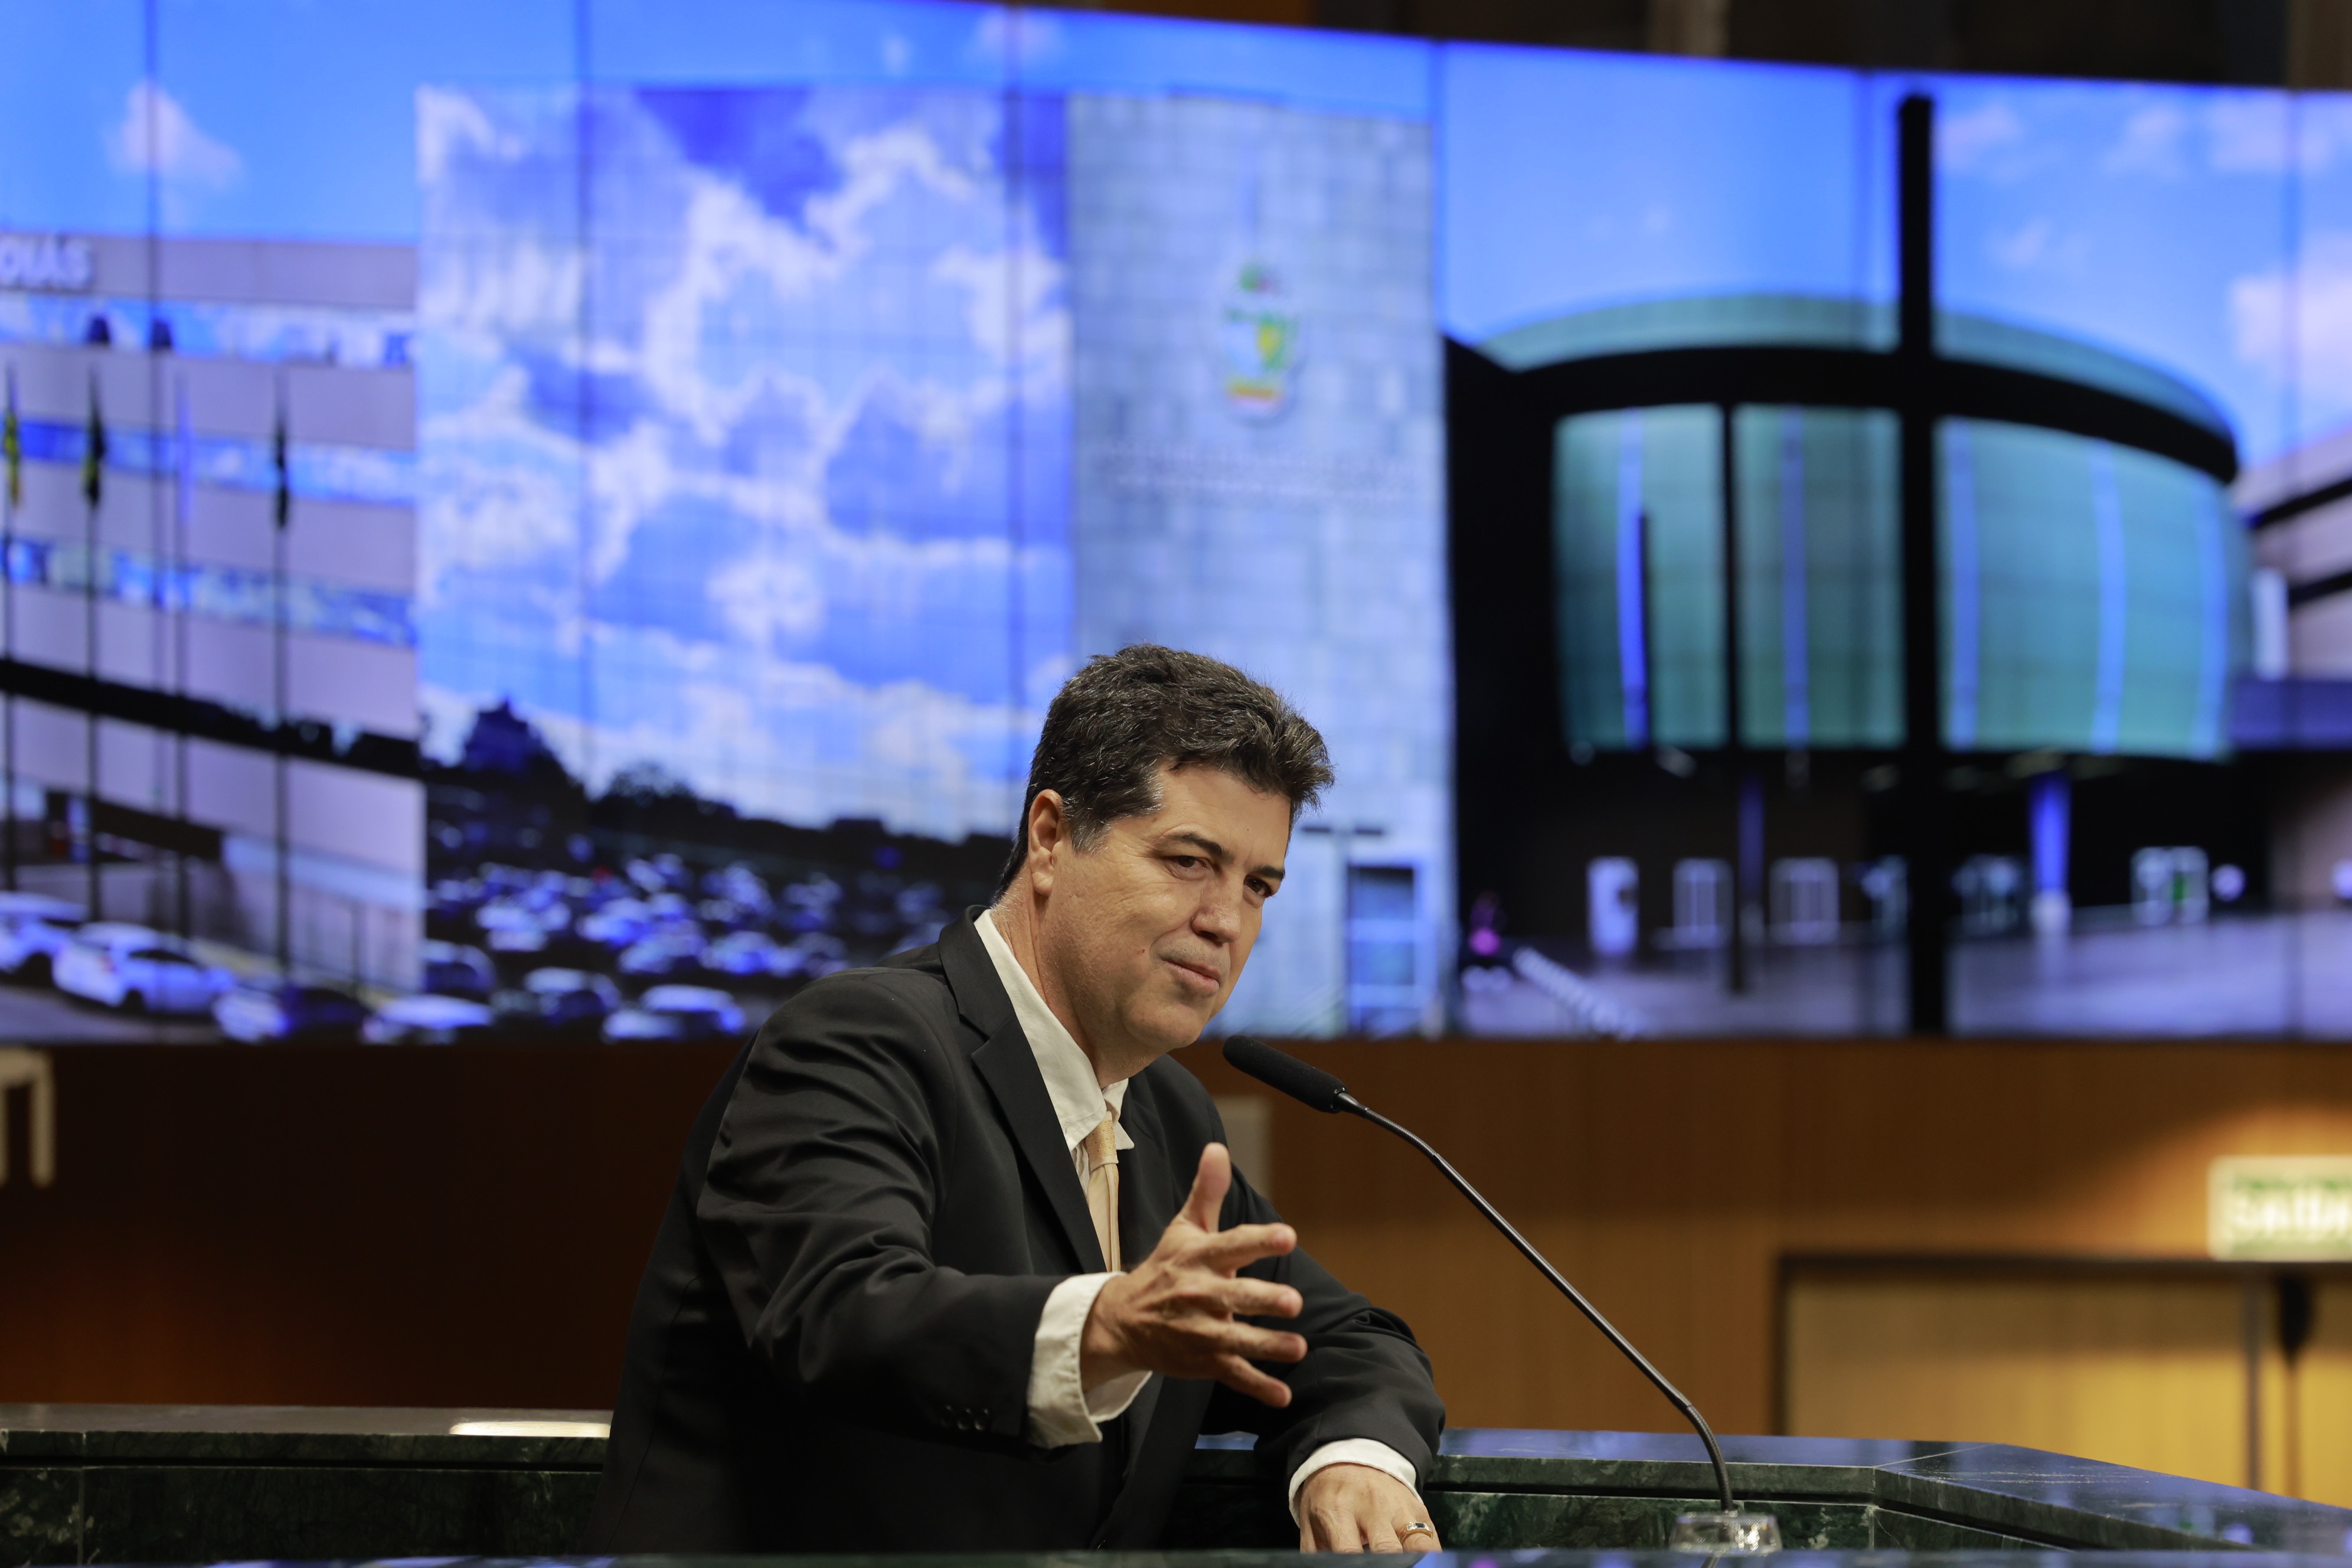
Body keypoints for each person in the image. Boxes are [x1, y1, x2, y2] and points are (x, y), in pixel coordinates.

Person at [584, 645, 1445, 1554]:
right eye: (1191, 861)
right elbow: (843, 1314)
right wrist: (1106, 1326)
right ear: (1050, 838)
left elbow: (1349, 1342)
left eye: (1258, 886)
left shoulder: (1170, 1116)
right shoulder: (854, 1040)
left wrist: (1353, 1457)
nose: (1226, 921)